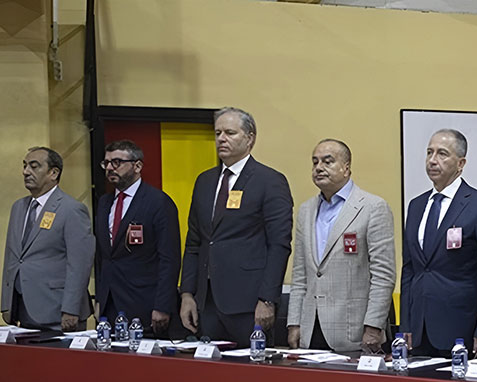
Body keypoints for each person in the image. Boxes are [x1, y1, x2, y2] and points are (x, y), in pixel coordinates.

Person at [180, 107, 292, 346]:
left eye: (230, 132)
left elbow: (279, 245)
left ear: (250, 138)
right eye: (218, 132)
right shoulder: (205, 181)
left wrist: (268, 299)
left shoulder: (270, 181)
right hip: (207, 301)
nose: (221, 139)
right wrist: (187, 293)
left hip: (249, 302)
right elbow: (195, 242)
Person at [399, 129, 477, 358]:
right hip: (419, 329)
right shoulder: (416, 206)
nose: (432, 160)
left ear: (461, 163)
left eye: (442, 154)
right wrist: (405, 324)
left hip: (461, 329)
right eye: (429, 152)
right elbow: (410, 269)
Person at [287, 139, 395, 353]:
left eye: (328, 162)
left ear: (346, 168)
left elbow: (383, 275)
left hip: (353, 330)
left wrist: (373, 326)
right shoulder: (306, 210)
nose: (319, 168)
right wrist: (294, 322)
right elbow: (300, 274)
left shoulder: (373, 207)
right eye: (315, 162)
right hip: (310, 329)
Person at [93, 140, 180, 337]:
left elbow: (169, 258)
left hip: (145, 302)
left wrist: (163, 305)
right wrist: (100, 299)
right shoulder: (105, 203)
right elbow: (103, 257)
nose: (109, 168)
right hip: (110, 304)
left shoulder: (158, 202)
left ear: (137, 166)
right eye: (106, 163)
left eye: (116, 162)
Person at [2, 146, 93, 331]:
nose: (26, 172)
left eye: (34, 166)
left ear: (53, 173)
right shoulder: (18, 207)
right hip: (22, 307)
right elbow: (12, 256)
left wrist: (71, 308)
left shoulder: (71, 209)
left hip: (58, 309)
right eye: (25, 166)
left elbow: (80, 264)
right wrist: (6, 303)